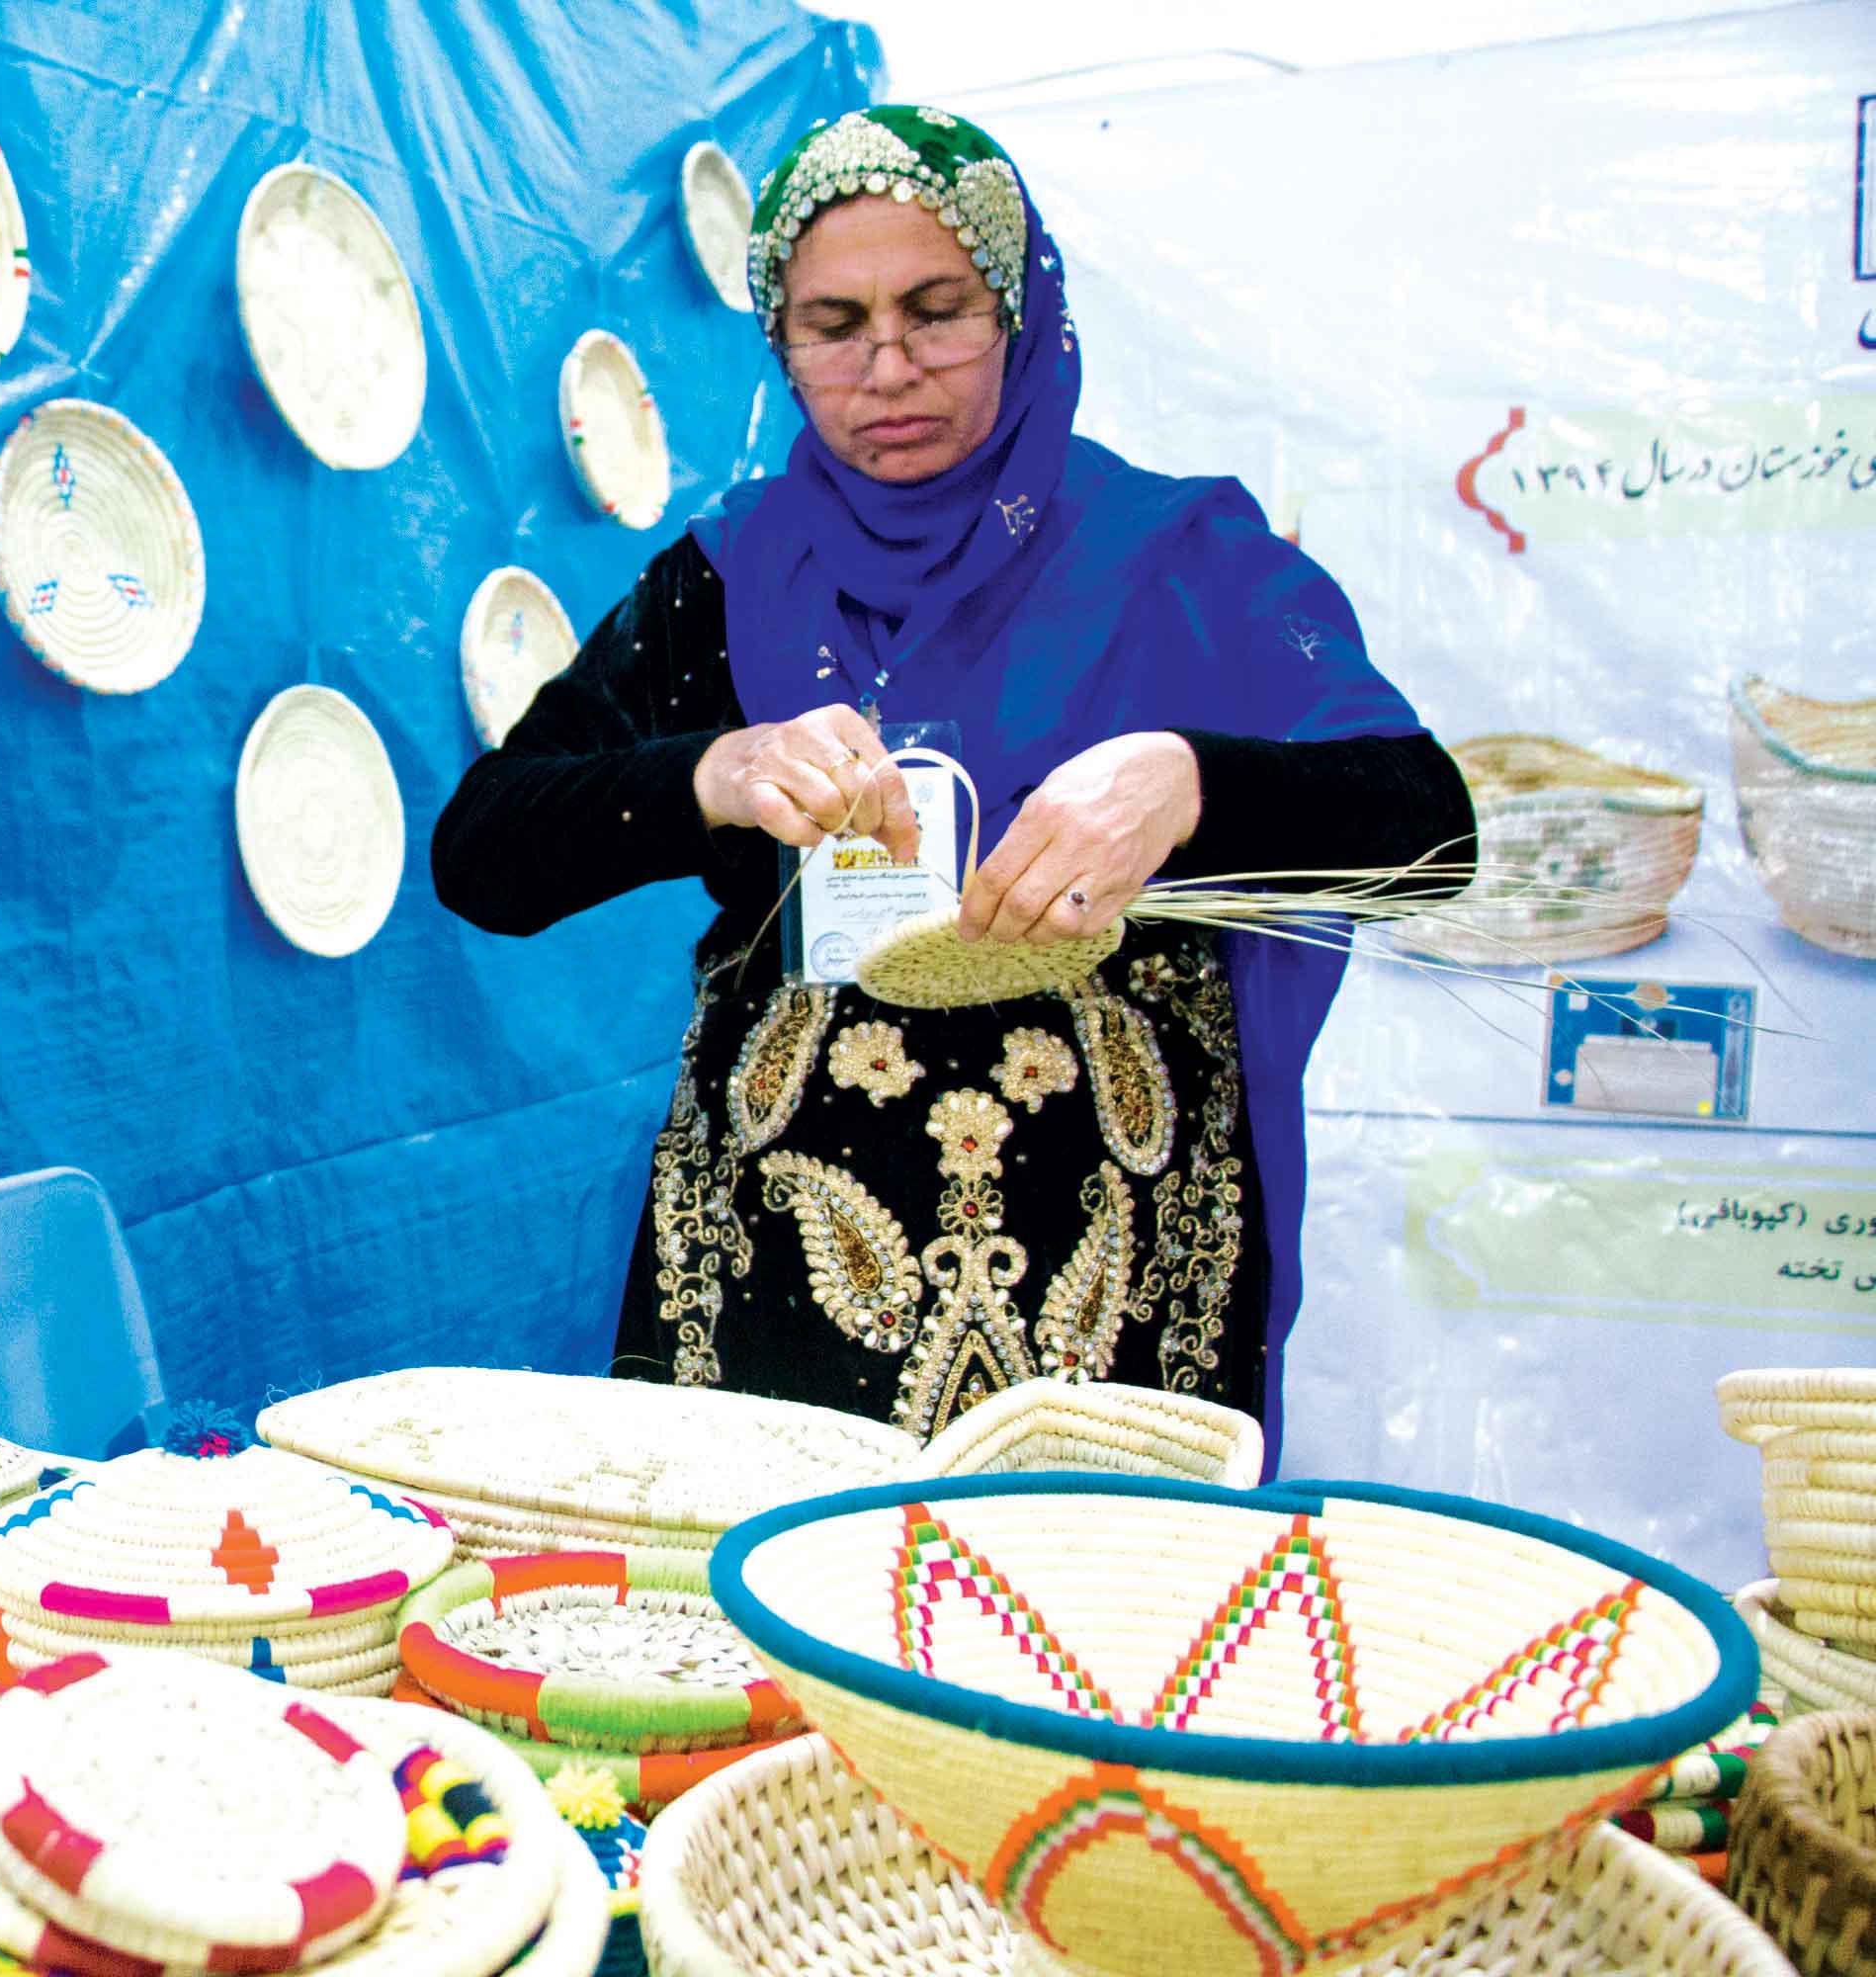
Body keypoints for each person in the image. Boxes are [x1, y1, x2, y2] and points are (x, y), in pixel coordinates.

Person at [431, 106, 1474, 1448]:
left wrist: (1186, 782)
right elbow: (483, 854)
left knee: (1089, 1579)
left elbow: (1428, 827)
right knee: (764, 1576)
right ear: (780, 342)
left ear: (1021, 312)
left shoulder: (1183, 562)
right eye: (832, 325)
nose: (888, 368)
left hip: (1112, 1274)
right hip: (783, 1268)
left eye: (938, 313)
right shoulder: (729, 579)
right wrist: (716, 771)